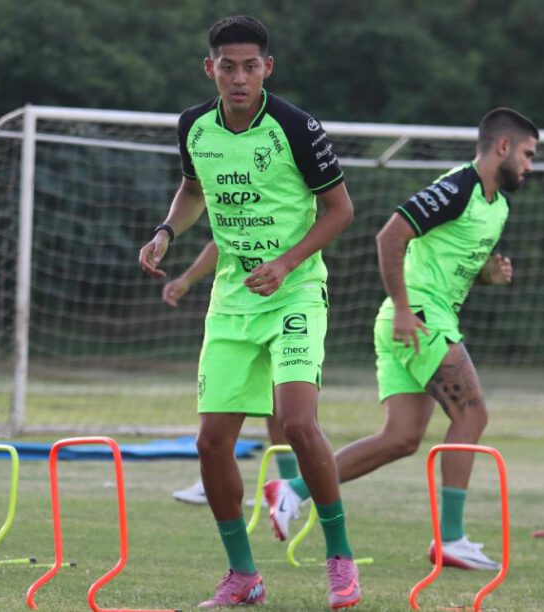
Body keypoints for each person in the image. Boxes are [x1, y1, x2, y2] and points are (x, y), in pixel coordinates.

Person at [138, 15, 360, 608]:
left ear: (268, 68)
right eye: (228, 67)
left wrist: (286, 264)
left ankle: (340, 559)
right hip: (233, 299)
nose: (239, 78)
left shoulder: (295, 127)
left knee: (297, 421)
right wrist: (166, 233)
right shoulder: (194, 126)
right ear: (210, 69)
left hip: (294, 290)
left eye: (250, 66)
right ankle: (244, 576)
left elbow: (340, 211)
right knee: (211, 442)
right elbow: (192, 190)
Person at [265, 108, 538, 572]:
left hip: (415, 319)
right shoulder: (457, 187)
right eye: (529, 154)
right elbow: (390, 235)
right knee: (472, 415)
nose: (531, 166)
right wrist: (408, 310)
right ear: (503, 147)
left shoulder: (499, 206)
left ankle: (292, 490)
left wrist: (488, 275)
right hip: (418, 318)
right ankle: (450, 539)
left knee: (401, 438)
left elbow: (448, 262)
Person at [163, 242, 300, 506]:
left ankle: (289, 486)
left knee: (282, 400)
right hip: (236, 310)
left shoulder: (285, 210)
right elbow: (223, 242)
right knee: (222, 405)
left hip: (286, 304)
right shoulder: (231, 212)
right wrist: (186, 279)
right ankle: (213, 479)